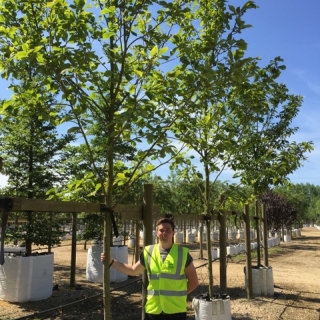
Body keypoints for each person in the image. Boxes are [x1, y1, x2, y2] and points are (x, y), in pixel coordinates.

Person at [101, 217, 199, 320]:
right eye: (161, 230)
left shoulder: (182, 254)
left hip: (176, 312)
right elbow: (133, 270)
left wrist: (178, 295)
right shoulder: (149, 252)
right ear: (156, 233)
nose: (164, 232)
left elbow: (194, 282)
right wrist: (111, 262)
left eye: (168, 230)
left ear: (173, 233)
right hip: (153, 311)